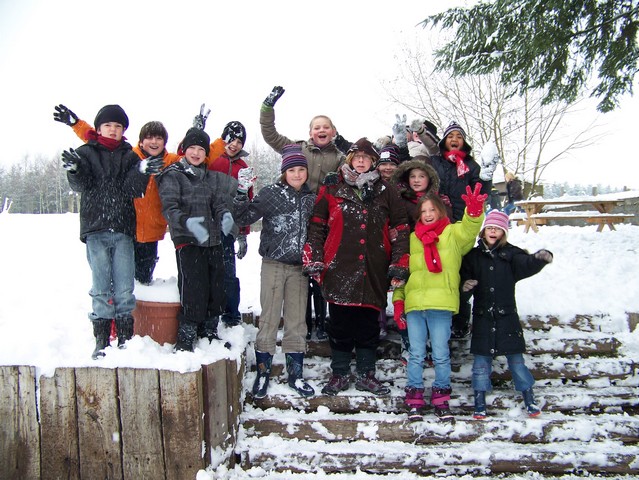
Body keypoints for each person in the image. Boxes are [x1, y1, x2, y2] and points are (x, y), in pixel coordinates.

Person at [303, 138, 410, 397]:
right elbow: (317, 225)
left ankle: (366, 374)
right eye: (356, 157)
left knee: (368, 326)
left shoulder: (387, 191)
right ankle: (339, 373)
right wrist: (315, 258)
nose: (361, 161)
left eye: (366, 157)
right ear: (350, 160)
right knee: (339, 325)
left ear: (373, 161)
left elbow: (400, 229)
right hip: (338, 267)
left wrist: (399, 262)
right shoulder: (332, 187)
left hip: (373, 268)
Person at [59, 104, 163, 359]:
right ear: (98, 128)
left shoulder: (130, 156)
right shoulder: (86, 153)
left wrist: (141, 171)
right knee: (101, 287)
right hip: (95, 229)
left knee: (125, 287)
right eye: (108, 125)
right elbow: (81, 185)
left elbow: (133, 190)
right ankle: (102, 340)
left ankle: (125, 338)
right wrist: (75, 169)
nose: (113, 130)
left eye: (118, 126)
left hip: (124, 230)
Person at [54, 104, 180, 285]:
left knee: (143, 280)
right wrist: (76, 124)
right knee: (118, 279)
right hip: (128, 227)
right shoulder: (130, 156)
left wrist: (196, 132)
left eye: (159, 138)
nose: (154, 142)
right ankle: (114, 301)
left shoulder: (170, 161)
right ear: (141, 141)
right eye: (149, 137)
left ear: (164, 142)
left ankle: (136, 302)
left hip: (152, 231)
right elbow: (98, 139)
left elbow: (191, 155)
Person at [392, 185, 487, 421]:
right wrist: (398, 301)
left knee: (441, 354)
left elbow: (469, 230)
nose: (427, 214)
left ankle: (441, 397)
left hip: (441, 305)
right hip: (415, 306)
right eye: (423, 210)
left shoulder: (452, 234)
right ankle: (415, 397)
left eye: (432, 209)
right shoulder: (412, 239)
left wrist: (474, 212)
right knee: (415, 354)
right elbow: (403, 273)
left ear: (441, 211)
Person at [260, 86, 345, 340]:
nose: (321, 130)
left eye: (326, 127)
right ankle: (304, 324)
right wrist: (267, 108)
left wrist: (338, 181)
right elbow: (270, 135)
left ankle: (322, 324)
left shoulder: (340, 157)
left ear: (333, 132)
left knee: (320, 271)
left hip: (323, 222)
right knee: (299, 273)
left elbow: (355, 172)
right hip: (296, 219)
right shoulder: (297, 149)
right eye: (317, 127)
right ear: (310, 133)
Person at [234, 144, 316, 398]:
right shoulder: (271, 193)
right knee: (269, 318)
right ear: (284, 172)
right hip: (273, 264)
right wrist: (241, 191)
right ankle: (263, 372)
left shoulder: (312, 198)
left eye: (301, 169)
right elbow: (242, 217)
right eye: (292, 170)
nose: (297, 174)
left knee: (296, 321)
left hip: (299, 269)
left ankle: (295, 374)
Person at [460, 210, 553, 419]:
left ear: (503, 233)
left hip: (507, 318)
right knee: (481, 365)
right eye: (490, 228)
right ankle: (479, 401)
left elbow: (526, 263)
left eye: (498, 229)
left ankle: (529, 398)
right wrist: (465, 286)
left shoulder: (511, 254)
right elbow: (462, 281)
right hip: (483, 318)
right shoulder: (473, 256)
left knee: (517, 363)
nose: (493, 231)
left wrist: (539, 259)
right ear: (484, 231)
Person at [157, 127, 236, 352]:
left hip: (212, 239)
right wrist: (187, 222)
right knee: (193, 287)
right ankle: (186, 336)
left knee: (216, 285)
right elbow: (169, 208)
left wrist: (225, 215)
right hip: (187, 240)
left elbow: (218, 203)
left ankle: (209, 331)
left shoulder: (208, 176)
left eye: (201, 149)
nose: (196, 153)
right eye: (192, 148)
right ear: (184, 150)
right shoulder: (173, 174)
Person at [429, 121, 496, 339]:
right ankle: (434, 318)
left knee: (461, 273)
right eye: (451, 136)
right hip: (436, 223)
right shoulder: (434, 162)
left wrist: (486, 178)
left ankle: (460, 321)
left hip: (461, 224)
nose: (455, 139)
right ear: (444, 141)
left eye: (459, 136)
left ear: (464, 142)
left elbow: (481, 192)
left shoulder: (471, 165)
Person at [205, 116, 253, 327]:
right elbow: (186, 158)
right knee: (206, 270)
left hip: (229, 227)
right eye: (231, 139)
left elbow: (247, 202)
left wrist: (243, 233)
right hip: (207, 224)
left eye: (239, 141)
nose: (234, 144)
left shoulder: (244, 167)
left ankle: (231, 315)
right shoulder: (212, 159)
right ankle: (208, 312)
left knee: (228, 272)